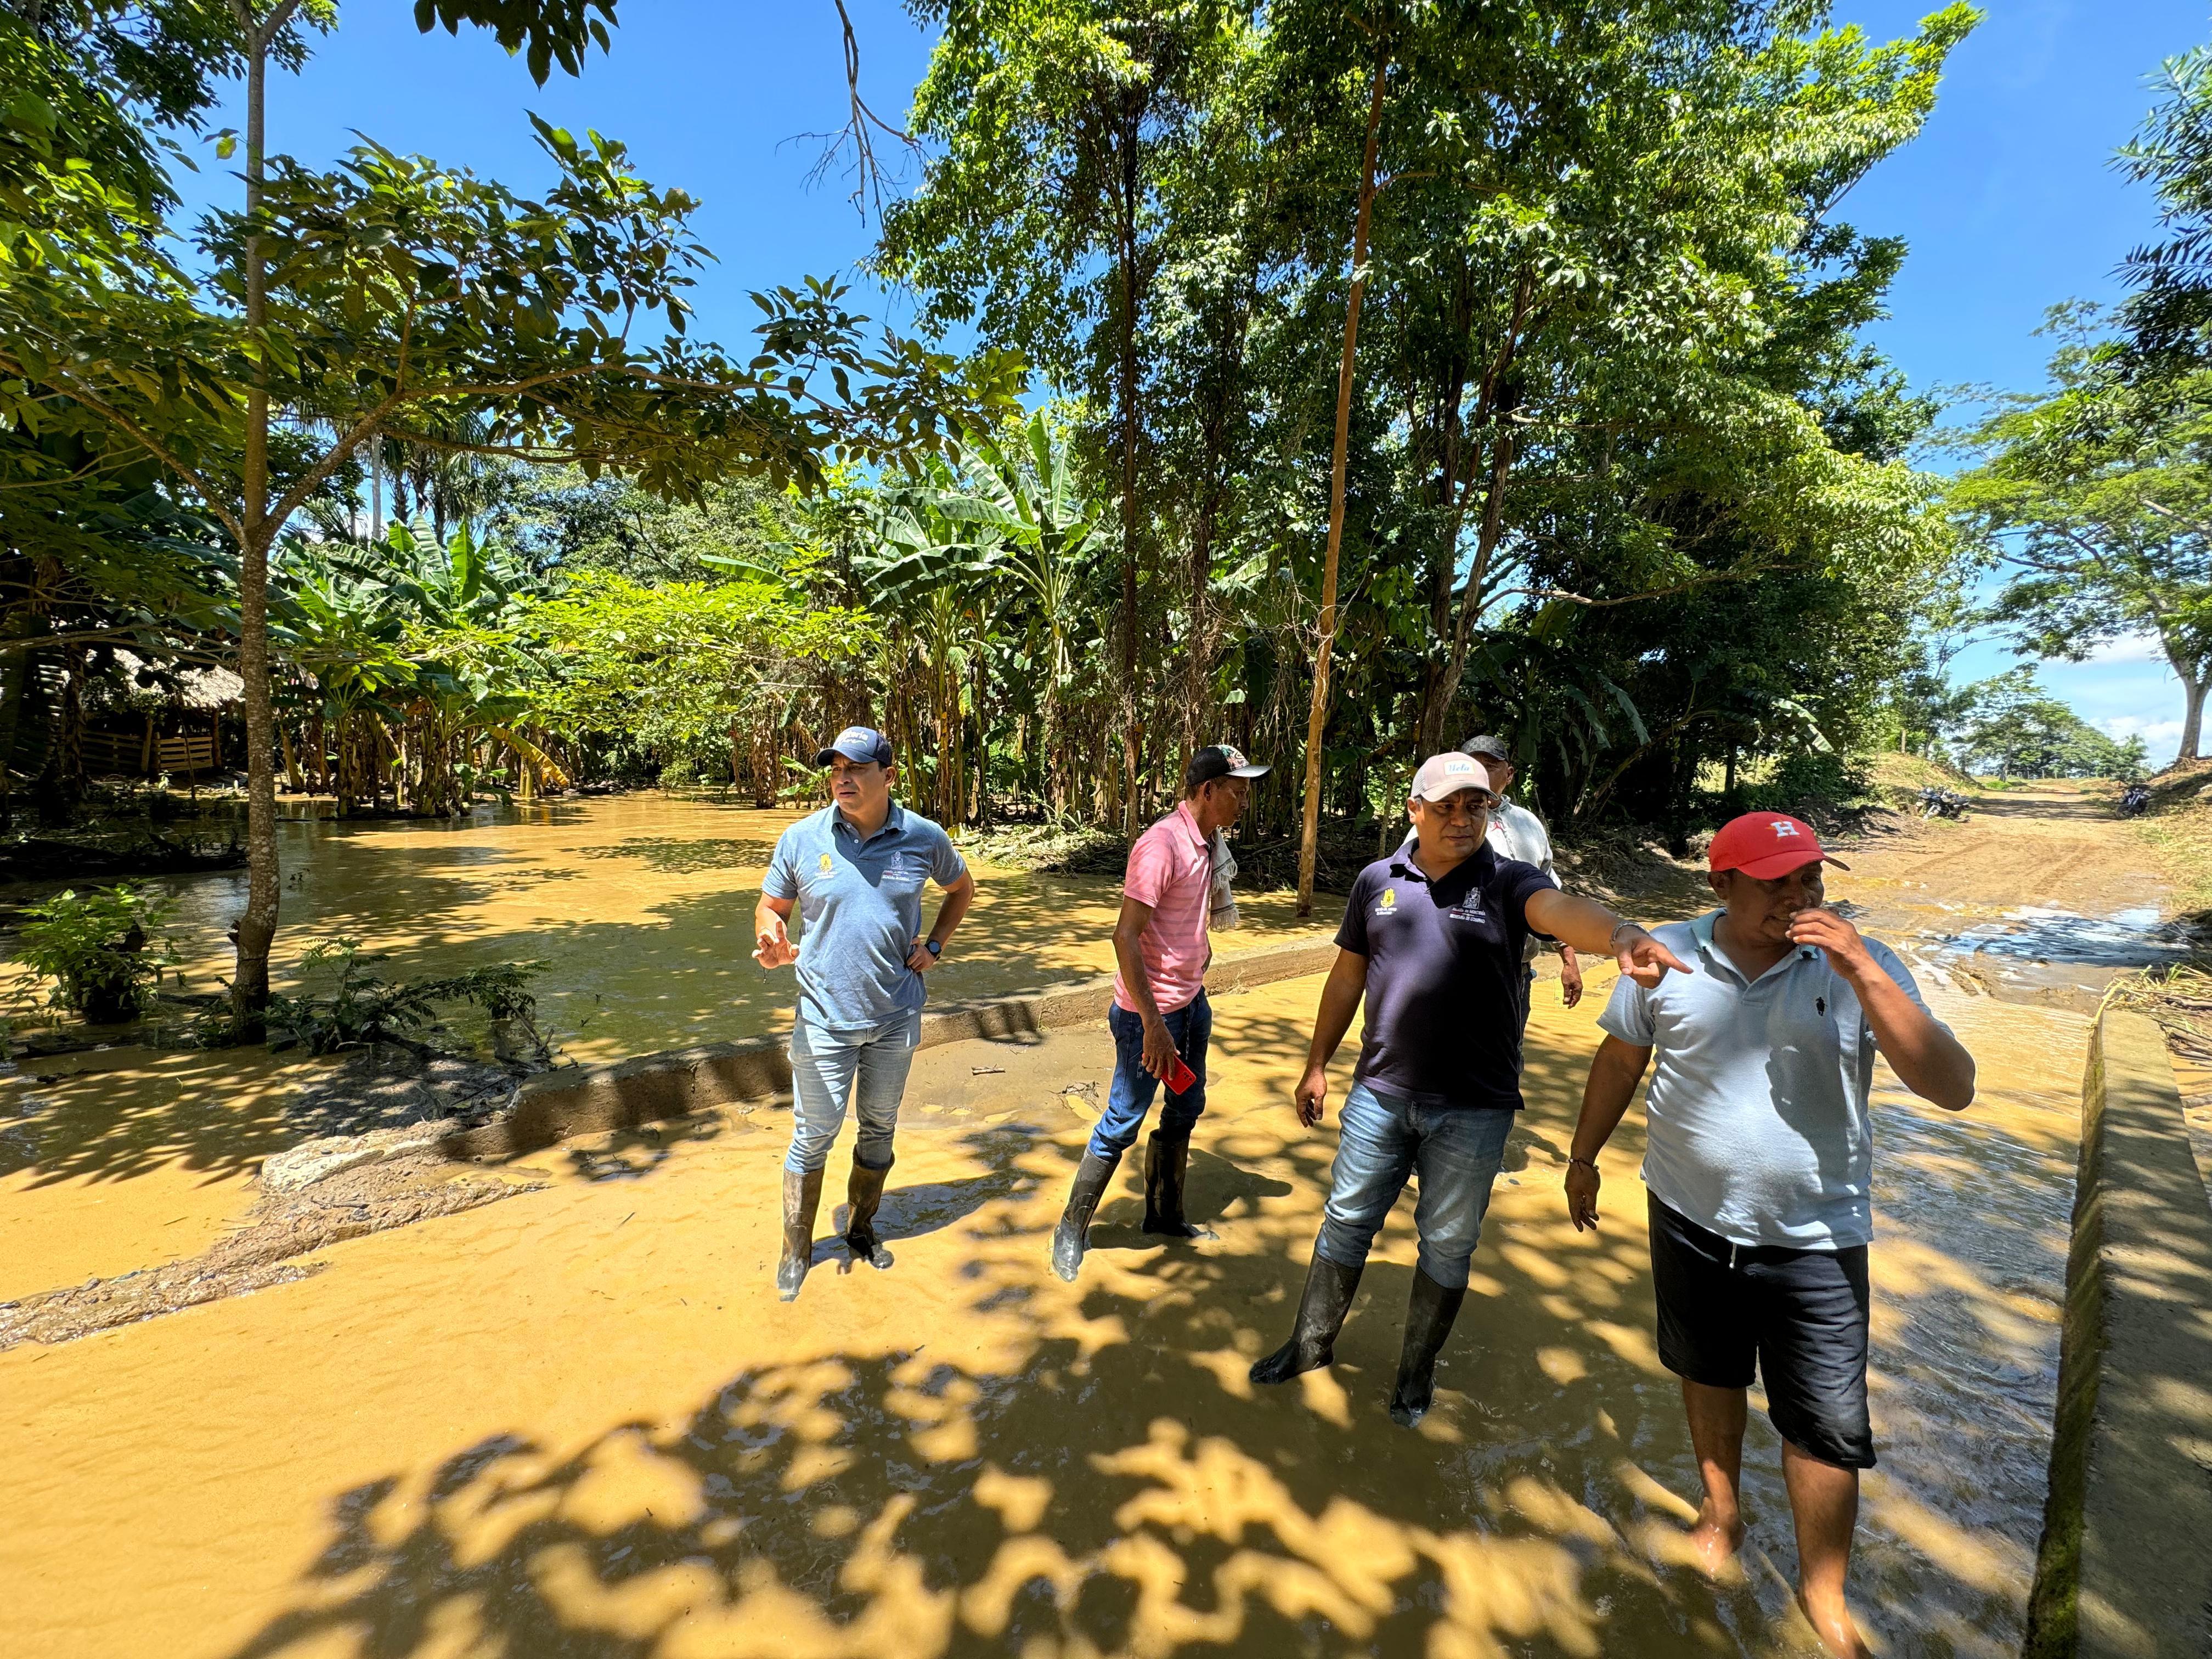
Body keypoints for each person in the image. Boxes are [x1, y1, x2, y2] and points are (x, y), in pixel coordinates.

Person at [1564, 811, 1976, 1659]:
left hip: (1817, 1236)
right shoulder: (1665, 954)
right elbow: (1621, 1059)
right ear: (1721, 884)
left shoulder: (1860, 966)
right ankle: (1722, 1514)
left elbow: (1952, 1087)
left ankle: (1824, 1593)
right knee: (1707, 1371)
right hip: (1687, 1214)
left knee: (1825, 1424)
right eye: (1775, 883)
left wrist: (1862, 968)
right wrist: (1582, 1158)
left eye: (1810, 879)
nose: (1798, 897)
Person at [1250, 751, 1690, 1426]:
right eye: (1447, 806)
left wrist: (1620, 934)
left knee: (1448, 1244)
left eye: (1476, 805)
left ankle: (1414, 1376)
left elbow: (1559, 909)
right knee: (1345, 1220)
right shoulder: (1377, 881)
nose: (1462, 818)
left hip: (1475, 1109)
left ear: (1491, 809)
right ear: (1415, 811)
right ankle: (1309, 1346)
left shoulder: (1509, 881)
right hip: (1379, 1095)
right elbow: (1346, 979)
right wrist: (1316, 1065)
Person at [754, 726, 976, 1302]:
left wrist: (935, 946)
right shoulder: (802, 838)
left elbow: (961, 889)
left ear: (889, 776)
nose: (843, 778)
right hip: (823, 1019)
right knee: (813, 1135)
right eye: (835, 769)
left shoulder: (923, 837)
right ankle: (796, 1250)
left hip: (895, 1017)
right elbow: (771, 906)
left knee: (879, 1127)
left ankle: (860, 1229)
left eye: (856, 768)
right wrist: (771, 938)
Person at [1051, 744, 1268, 1281]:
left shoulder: (1207, 843)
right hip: (1148, 1017)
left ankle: (1164, 1215)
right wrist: (1152, 1025)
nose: (1244, 802)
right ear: (1207, 791)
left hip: (1191, 1003)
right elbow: (1125, 937)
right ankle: (1070, 1231)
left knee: (1187, 1104)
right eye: (1237, 792)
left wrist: (1197, 967)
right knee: (1122, 1120)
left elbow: (1186, 921)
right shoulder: (1162, 845)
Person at [1455, 735, 1583, 1024]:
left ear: (1509, 775)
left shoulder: (1529, 823)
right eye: (1471, 765)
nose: (1480, 773)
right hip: (1454, 970)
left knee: (1510, 1050)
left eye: (1490, 766)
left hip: (1517, 974)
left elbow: (1550, 897)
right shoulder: (1441, 819)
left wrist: (1569, 961)